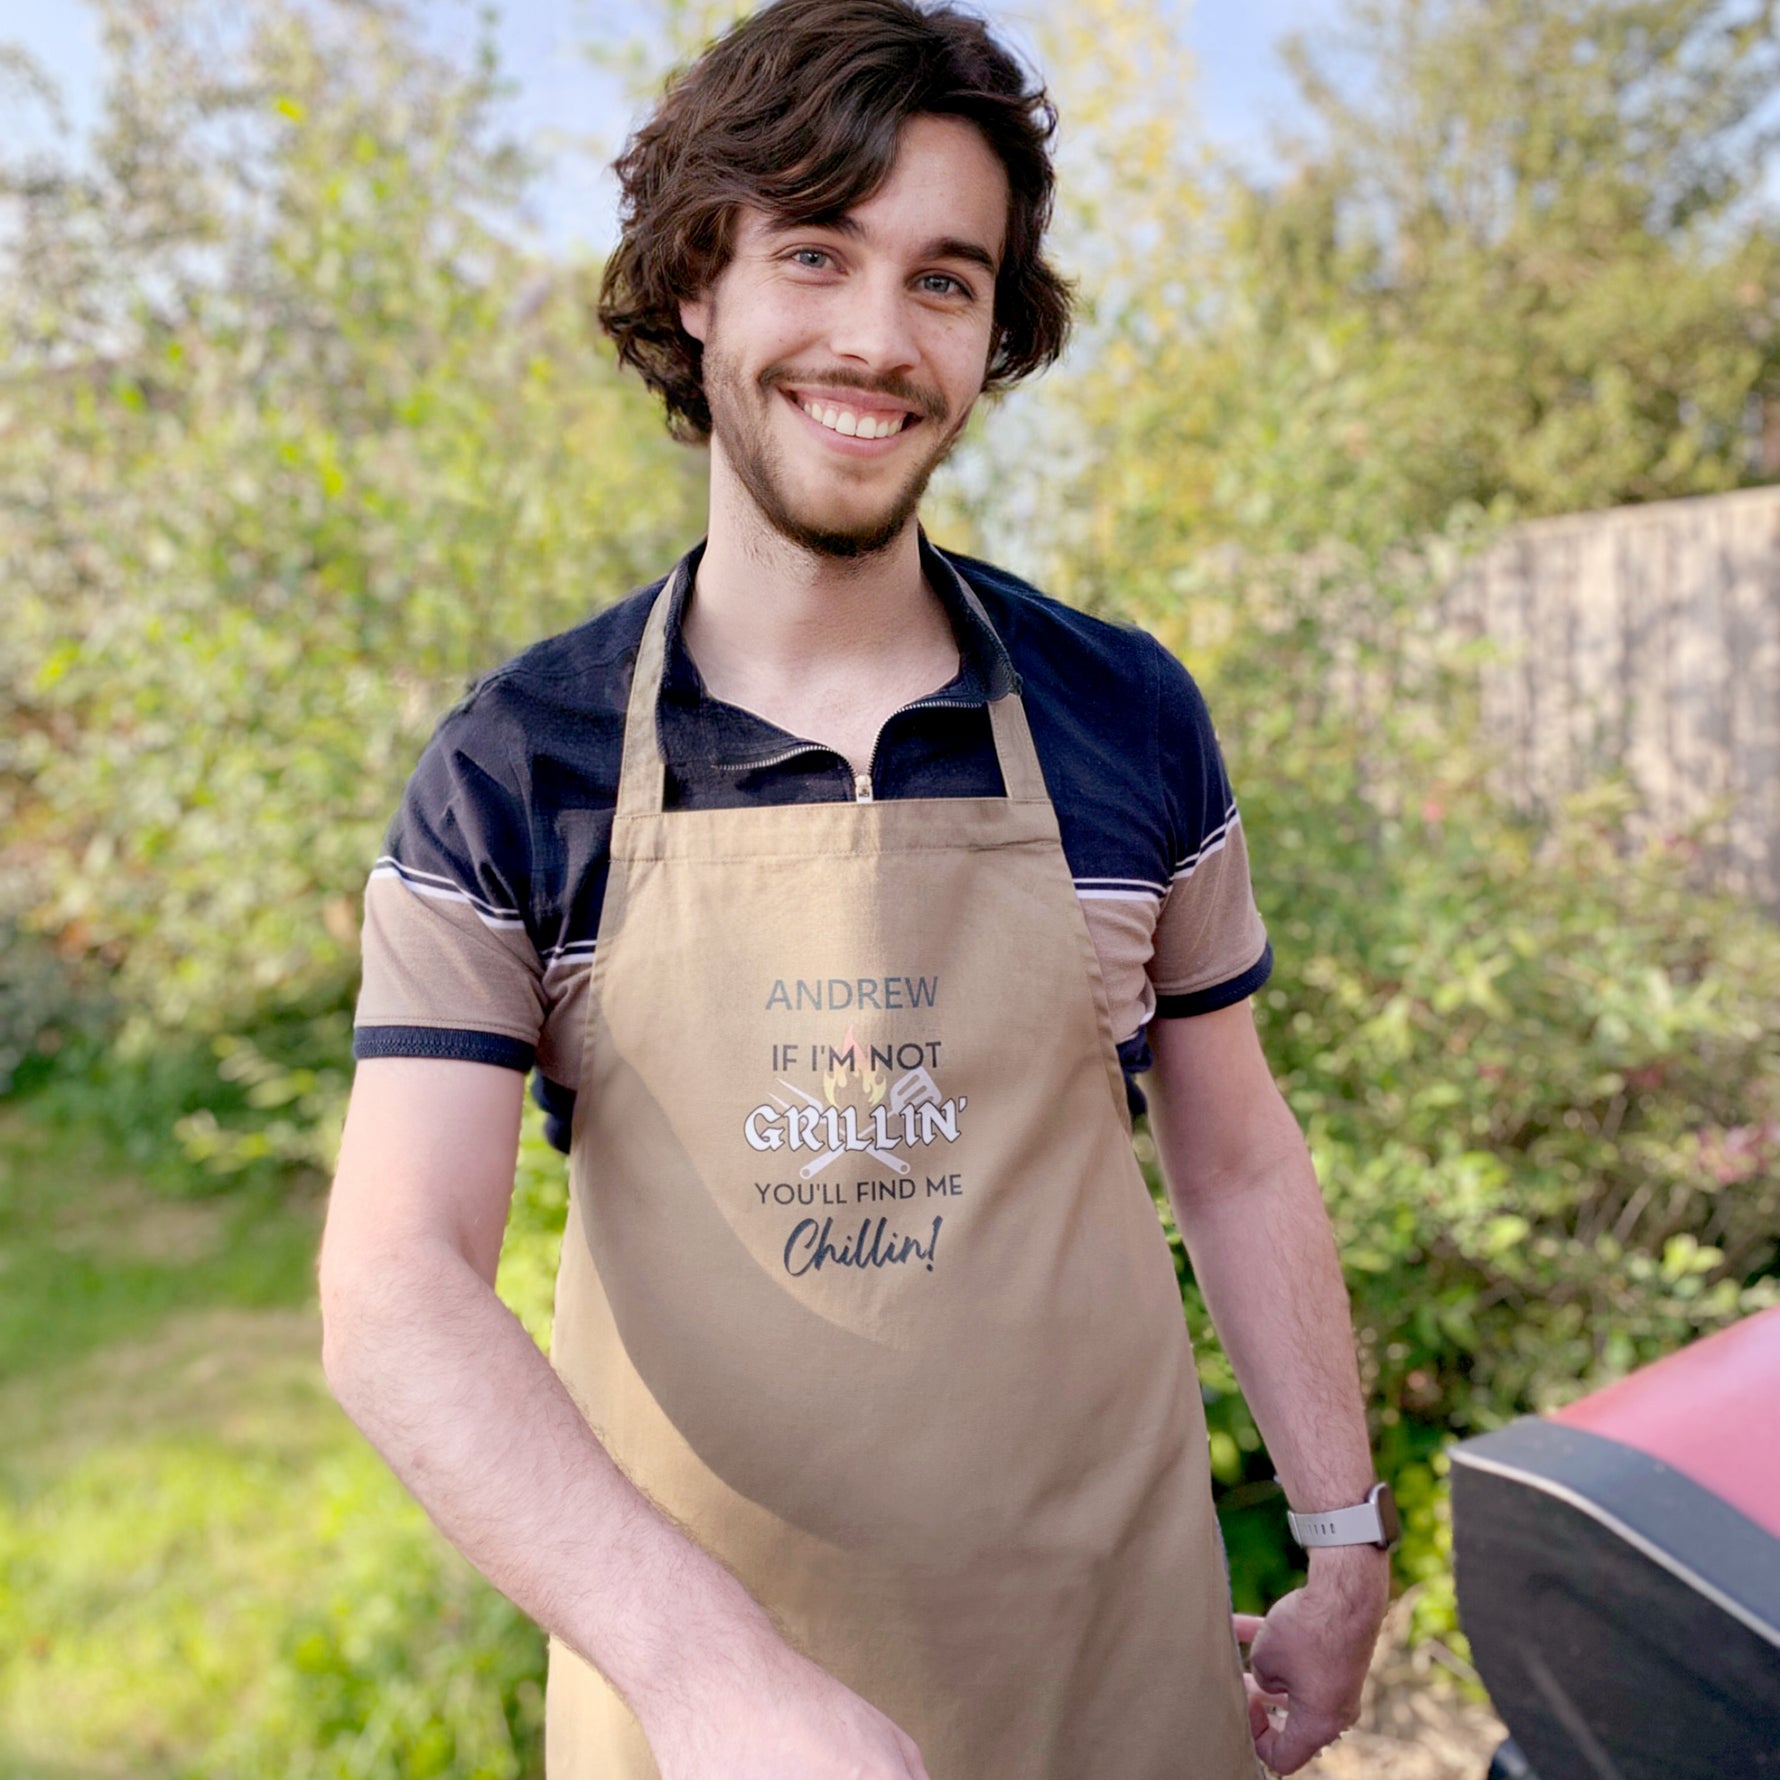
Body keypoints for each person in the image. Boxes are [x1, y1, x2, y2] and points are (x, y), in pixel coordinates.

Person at [318, 1, 1392, 1774]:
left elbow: (1235, 1146)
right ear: (696, 287)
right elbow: (395, 1288)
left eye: (945, 280)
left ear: (993, 333)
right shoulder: (523, 766)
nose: (877, 340)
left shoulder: (1126, 715)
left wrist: (1344, 1533)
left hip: (1118, 1677)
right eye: (814, 253)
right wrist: (705, 1675)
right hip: (708, 1717)